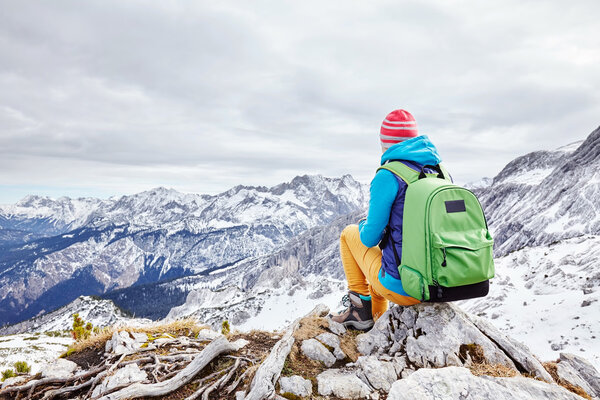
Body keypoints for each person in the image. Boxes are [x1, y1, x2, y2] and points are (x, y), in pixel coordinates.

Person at [330, 109, 444, 330]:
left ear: (385, 144)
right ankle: (377, 319)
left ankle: (358, 310)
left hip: (405, 288)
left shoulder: (388, 175)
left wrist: (365, 224)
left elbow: (369, 238)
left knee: (349, 234)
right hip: (440, 284)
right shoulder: (439, 172)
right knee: (383, 260)